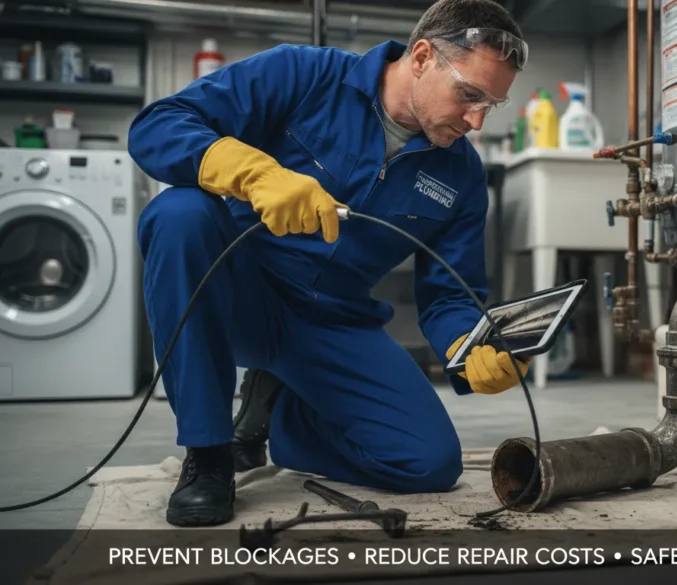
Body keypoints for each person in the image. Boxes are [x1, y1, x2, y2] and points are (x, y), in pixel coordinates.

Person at [128, 0, 532, 527]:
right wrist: (251, 172)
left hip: (331, 322)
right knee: (179, 213)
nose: (476, 120)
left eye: (491, 105)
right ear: (423, 57)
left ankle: (282, 413)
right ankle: (209, 453)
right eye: (469, 95)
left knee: (428, 463)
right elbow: (157, 125)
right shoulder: (303, 75)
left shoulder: (462, 175)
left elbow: (450, 293)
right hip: (235, 296)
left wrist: (470, 346)